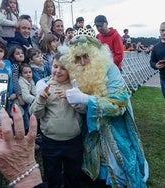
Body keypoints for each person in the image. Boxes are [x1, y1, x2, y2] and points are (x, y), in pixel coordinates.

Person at [60, 29, 149, 187]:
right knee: (94, 164)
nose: (81, 62)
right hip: (91, 130)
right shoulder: (77, 71)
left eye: (86, 56)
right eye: (77, 58)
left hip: (114, 128)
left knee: (119, 167)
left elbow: (119, 105)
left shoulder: (110, 69)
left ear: (95, 55)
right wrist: (79, 105)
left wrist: (88, 99)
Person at [30, 51, 84, 187]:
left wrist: (72, 97)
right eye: (55, 66)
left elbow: (84, 110)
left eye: (63, 68)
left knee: (73, 175)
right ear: (51, 66)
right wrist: (41, 99)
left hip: (73, 141)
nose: (58, 71)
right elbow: (35, 113)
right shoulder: (45, 86)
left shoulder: (75, 87)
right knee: (51, 175)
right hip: (50, 142)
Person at [18, 63, 37, 133]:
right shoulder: (21, 81)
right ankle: (26, 132)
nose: (28, 74)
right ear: (21, 74)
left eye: (30, 72)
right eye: (25, 73)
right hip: (21, 104)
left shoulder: (30, 80)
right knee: (26, 120)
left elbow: (35, 91)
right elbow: (25, 96)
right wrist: (37, 100)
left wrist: (39, 96)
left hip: (28, 103)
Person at [150, 21, 165, 98]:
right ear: (160, 31)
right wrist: (155, 65)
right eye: (162, 30)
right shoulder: (156, 47)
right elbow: (152, 62)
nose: (164, 32)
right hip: (164, 78)